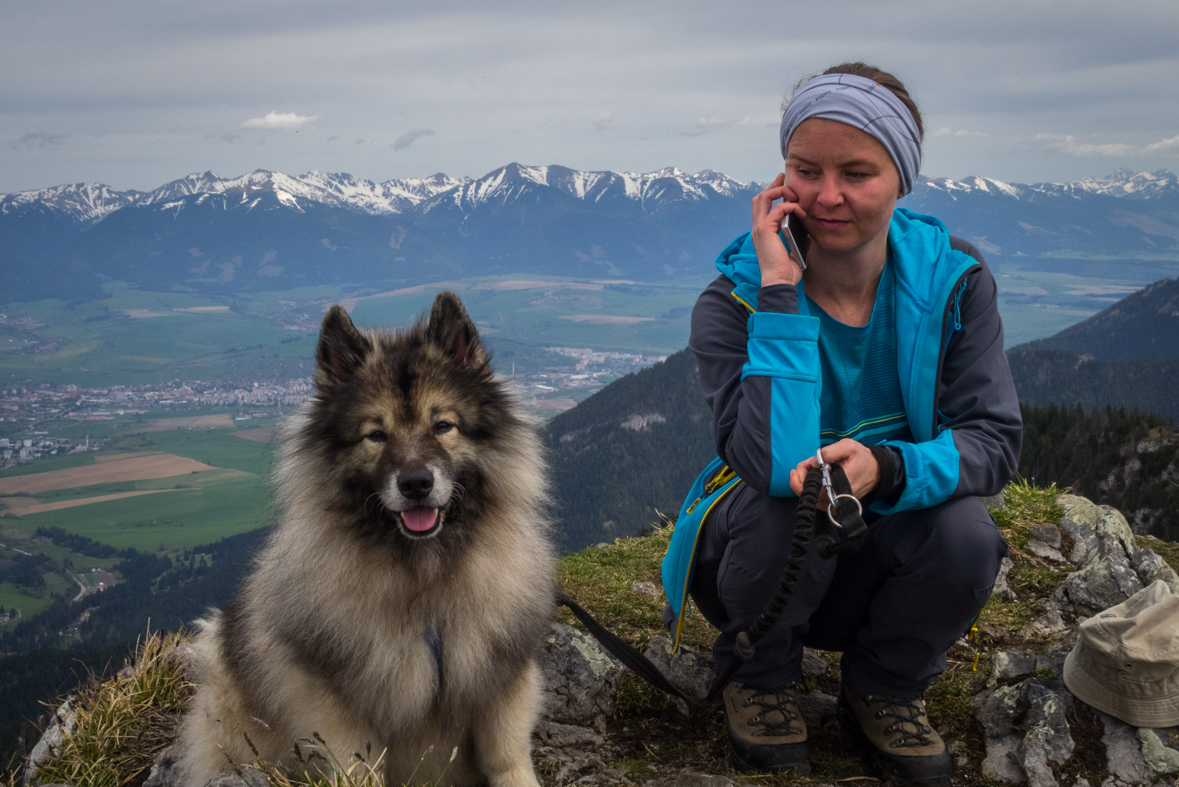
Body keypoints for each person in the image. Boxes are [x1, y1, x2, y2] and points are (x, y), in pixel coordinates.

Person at [666, 63, 1021, 786]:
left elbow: (992, 439)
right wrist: (779, 295)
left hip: (879, 558)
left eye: (856, 172)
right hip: (755, 563)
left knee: (965, 533)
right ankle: (759, 677)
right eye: (804, 169)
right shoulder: (732, 299)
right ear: (779, 179)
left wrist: (887, 468)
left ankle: (884, 686)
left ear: (900, 180)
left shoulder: (955, 284)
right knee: (781, 493)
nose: (826, 195)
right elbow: (767, 459)